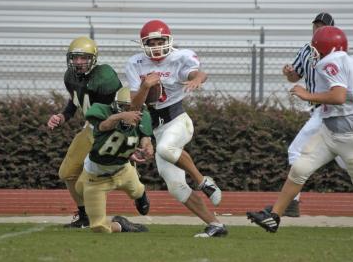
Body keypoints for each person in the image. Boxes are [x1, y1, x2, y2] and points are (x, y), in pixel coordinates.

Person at [247, 26, 353, 233]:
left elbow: (339, 96)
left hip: (350, 135)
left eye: (316, 48)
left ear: (326, 47)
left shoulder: (328, 62)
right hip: (329, 130)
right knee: (300, 169)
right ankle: (274, 216)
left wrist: (307, 95)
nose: (315, 53)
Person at [124, 19, 228, 238]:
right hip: (154, 127)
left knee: (165, 149)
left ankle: (202, 181)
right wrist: (145, 86)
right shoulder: (136, 63)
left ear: (168, 40)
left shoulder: (179, 57)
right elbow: (135, 106)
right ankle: (216, 225)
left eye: (159, 40)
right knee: (176, 186)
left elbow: (198, 73)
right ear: (144, 44)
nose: (156, 45)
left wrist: (198, 79)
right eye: (151, 42)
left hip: (177, 120)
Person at [47, 36, 122, 228]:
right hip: (90, 128)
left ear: (93, 59)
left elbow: (119, 107)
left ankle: (138, 193)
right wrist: (62, 117)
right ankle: (84, 215)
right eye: (75, 58)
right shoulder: (70, 77)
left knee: (111, 176)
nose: (79, 62)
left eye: (84, 58)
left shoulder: (104, 76)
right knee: (67, 173)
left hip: (110, 130)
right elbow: (75, 101)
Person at [280, 12, 346, 217]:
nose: (317, 29)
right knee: (348, 162)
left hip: (330, 111)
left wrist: (307, 94)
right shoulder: (307, 50)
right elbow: (295, 76)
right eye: (316, 26)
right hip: (320, 111)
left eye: (322, 27)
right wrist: (289, 72)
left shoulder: (337, 54)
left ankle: (291, 203)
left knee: (295, 152)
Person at [75, 87, 152, 233]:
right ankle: (122, 225)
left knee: (137, 191)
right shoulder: (102, 111)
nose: (130, 112)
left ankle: (141, 195)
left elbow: (145, 138)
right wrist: (120, 116)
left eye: (133, 109)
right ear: (116, 105)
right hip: (96, 177)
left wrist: (148, 147)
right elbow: (104, 126)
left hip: (124, 169)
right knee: (99, 227)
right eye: (124, 107)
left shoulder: (144, 116)